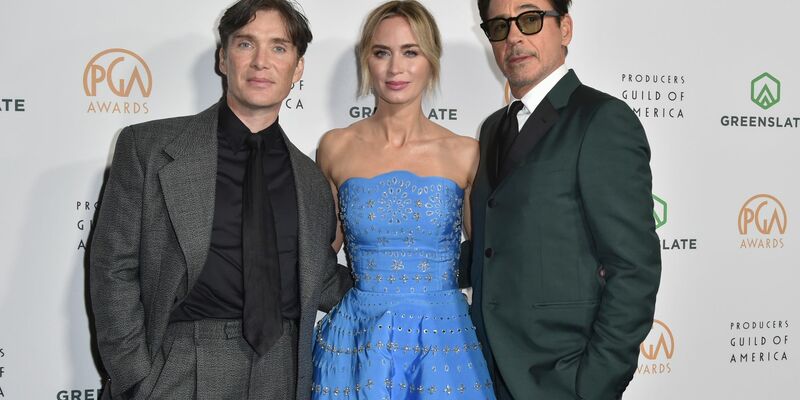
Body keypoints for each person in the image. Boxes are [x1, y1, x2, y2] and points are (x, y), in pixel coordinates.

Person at [89, 0, 351, 398]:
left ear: (297, 68)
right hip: (178, 367)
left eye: (279, 47)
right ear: (223, 59)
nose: (261, 61)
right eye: (246, 44)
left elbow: (322, 278)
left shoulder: (312, 180)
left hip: (281, 371)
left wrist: (412, 282)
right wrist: (135, 377)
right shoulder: (149, 148)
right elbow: (113, 267)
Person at [465, 0, 662, 399]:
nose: (514, 36)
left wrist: (593, 385)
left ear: (565, 29)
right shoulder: (492, 129)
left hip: (561, 378)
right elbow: (493, 248)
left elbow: (633, 268)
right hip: (485, 373)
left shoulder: (602, 119)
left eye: (530, 19)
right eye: (499, 26)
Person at [310, 1, 496, 398]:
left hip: (443, 341)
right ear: (367, 60)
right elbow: (321, 253)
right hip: (358, 339)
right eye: (382, 52)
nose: (396, 68)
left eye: (410, 52)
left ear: (431, 60)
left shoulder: (465, 153)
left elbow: (487, 256)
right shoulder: (336, 148)